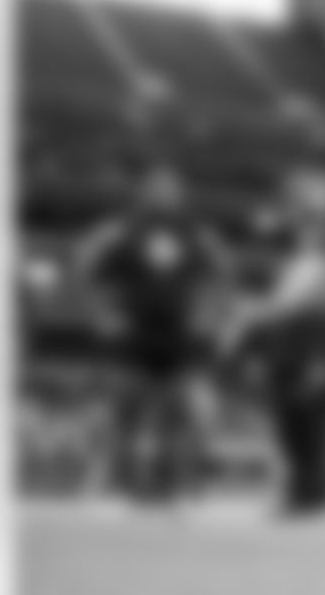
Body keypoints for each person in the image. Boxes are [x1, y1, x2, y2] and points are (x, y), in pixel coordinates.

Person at [75, 164, 228, 505]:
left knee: (187, 412)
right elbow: (86, 270)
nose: (164, 194)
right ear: (143, 194)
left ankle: (176, 482)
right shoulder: (122, 232)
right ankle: (122, 481)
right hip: (134, 337)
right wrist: (103, 317)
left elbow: (221, 277)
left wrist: (212, 320)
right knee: (124, 411)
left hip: (181, 339)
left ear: (182, 195)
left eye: (171, 188)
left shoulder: (197, 234)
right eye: (156, 188)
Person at [222, 170, 325, 516]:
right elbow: (267, 293)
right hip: (287, 336)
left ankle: (315, 489)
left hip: (319, 334)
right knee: (289, 415)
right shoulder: (288, 244)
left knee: (313, 413)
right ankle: (303, 487)